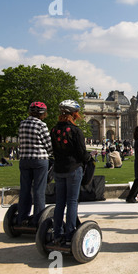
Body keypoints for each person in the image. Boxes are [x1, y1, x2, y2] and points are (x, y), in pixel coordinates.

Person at [50, 100, 91, 246]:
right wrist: (89, 158)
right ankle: (70, 232)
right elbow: (81, 153)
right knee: (72, 202)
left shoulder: (54, 130)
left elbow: (53, 151)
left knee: (60, 202)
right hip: (73, 169)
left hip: (58, 169)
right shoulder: (75, 130)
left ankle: (57, 233)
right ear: (74, 114)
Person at [17, 102, 53, 227]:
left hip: (24, 159)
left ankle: (21, 217)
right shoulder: (41, 125)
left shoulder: (22, 124)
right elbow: (48, 144)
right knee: (39, 190)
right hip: (39, 160)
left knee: (25, 189)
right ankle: (38, 219)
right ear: (43, 113)